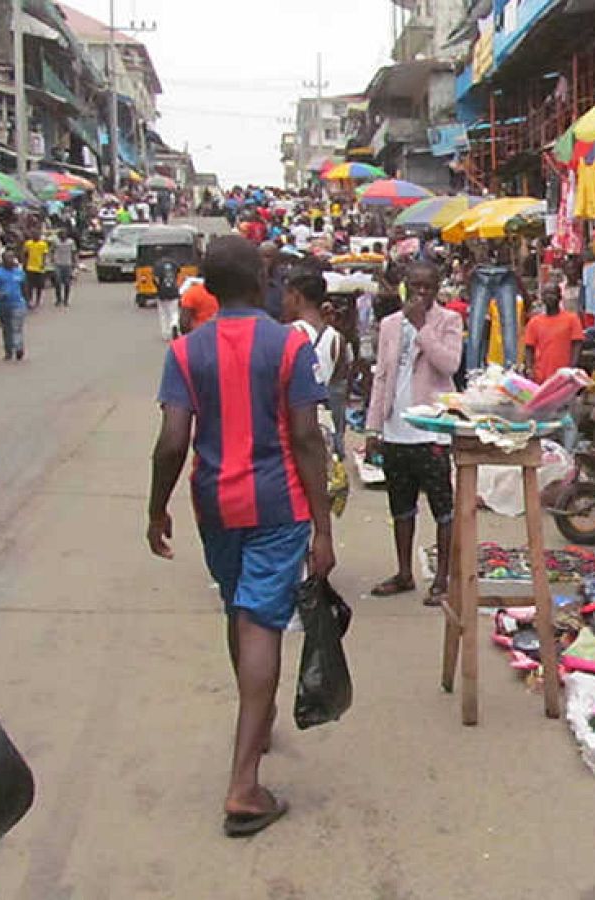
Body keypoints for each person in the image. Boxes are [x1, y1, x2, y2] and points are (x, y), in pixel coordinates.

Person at [146, 235, 335, 838]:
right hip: (278, 504)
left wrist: (156, 510)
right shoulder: (288, 345)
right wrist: (324, 527)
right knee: (261, 622)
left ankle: (258, 717)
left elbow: (172, 442)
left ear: (207, 287)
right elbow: (306, 438)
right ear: (260, 281)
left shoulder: (185, 350)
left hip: (214, 505)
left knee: (239, 609)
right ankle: (244, 785)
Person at [365, 262, 463, 604]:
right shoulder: (390, 324)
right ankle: (404, 572)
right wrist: (373, 427)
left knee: (442, 508)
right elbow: (381, 377)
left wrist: (423, 328)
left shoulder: (449, 321)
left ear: (437, 289)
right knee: (401, 507)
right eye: (416, 286)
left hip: (432, 431)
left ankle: (442, 579)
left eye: (428, 287)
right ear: (405, 286)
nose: (421, 293)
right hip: (396, 429)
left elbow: (450, 365)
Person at [284, 273, 349, 458]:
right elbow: (337, 388)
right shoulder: (337, 339)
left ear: (296, 296)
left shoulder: (288, 334)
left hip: (295, 420)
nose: (284, 302)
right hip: (324, 422)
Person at [521, 286, 585, 384]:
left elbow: (577, 344)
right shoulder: (534, 322)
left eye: (552, 294)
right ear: (542, 298)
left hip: (564, 376)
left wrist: (572, 368)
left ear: (560, 297)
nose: (549, 297)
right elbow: (529, 348)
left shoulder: (572, 319)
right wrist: (529, 369)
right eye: (546, 294)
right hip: (540, 377)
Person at [0, 252, 25, 361]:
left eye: (12, 257)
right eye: (8, 258)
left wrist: (26, 300)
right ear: (3, 260)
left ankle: (18, 348)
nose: (11, 260)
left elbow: (24, 286)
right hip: (4, 304)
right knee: (6, 329)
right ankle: (8, 351)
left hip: (18, 304)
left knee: (16, 327)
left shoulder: (19, 272)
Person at [21, 231, 49, 310]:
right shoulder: (28, 243)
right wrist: (24, 263)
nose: (36, 236)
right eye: (34, 235)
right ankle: (30, 300)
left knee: (39, 286)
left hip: (39, 268)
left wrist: (43, 263)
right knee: (29, 285)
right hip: (30, 267)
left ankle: (38, 300)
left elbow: (44, 255)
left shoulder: (43, 244)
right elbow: (25, 254)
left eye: (37, 235)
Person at [50, 231, 77, 307]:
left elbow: (73, 252)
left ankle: (66, 300)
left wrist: (74, 262)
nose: (63, 237)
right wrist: (52, 259)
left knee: (67, 283)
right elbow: (52, 250)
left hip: (67, 264)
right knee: (57, 282)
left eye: (64, 235)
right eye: (61, 235)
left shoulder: (71, 242)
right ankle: (58, 299)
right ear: (59, 236)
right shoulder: (55, 242)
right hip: (58, 264)